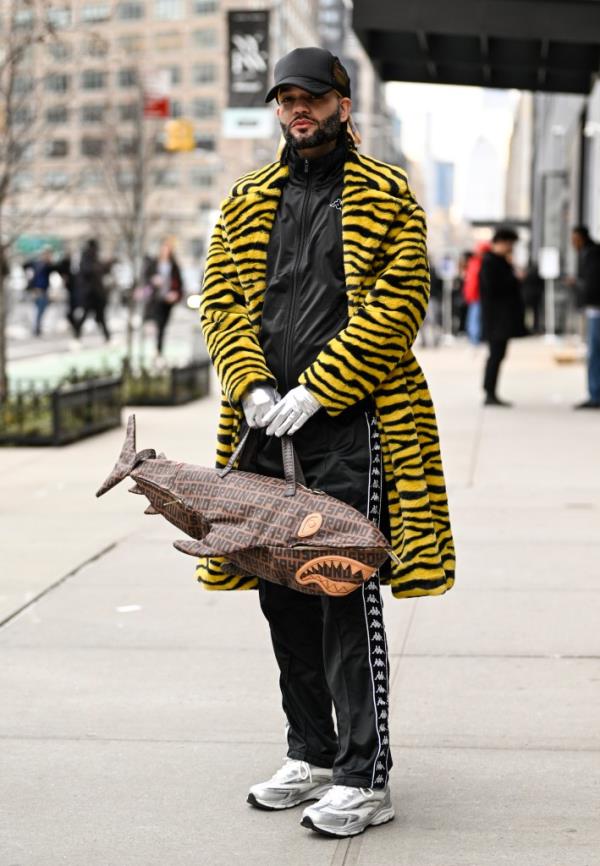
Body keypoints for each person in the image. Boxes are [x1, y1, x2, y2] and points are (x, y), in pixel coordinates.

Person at [198, 48, 455, 838]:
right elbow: (221, 299)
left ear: (344, 105)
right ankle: (309, 751)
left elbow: (399, 302)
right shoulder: (247, 198)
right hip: (265, 430)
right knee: (281, 593)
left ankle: (362, 773)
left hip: (355, 427)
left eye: (310, 97)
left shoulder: (385, 195)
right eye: (285, 99)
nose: (296, 109)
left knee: (341, 589)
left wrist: (318, 389)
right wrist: (254, 387)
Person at [479, 226, 526, 406]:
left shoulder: (499, 261)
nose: (511, 247)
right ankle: (489, 392)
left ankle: (490, 391)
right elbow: (494, 288)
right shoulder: (491, 262)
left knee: (498, 355)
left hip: (500, 319)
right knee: (496, 355)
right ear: (501, 242)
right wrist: (515, 278)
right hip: (496, 319)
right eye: (510, 244)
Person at [570, 225, 600, 409]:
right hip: (594, 309)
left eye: (575, 239)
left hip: (596, 310)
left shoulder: (592, 254)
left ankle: (595, 395)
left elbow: (593, 284)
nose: (573, 243)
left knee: (594, 353)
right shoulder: (590, 253)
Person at [143, 239, 183, 357]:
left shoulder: (174, 266)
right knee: (156, 322)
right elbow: (146, 277)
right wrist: (153, 280)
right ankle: (156, 349)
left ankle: (158, 351)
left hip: (167, 301)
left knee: (162, 326)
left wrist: (175, 294)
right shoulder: (155, 263)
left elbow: (179, 284)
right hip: (155, 299)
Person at [74, 239, 112, 342]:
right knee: (88, 316)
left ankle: (107, 337)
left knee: (100, 317)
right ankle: (77, 335)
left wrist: (107, 265)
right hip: (91, 294)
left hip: (96, 294)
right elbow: (88, 272)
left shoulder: (93, 258)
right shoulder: (87, 258)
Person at [463, 241, 490, 345]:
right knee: (475, 319)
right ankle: (475, 339)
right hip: (476, 296)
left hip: (475, 296)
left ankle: (475, 338)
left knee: (474, 319)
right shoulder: (478, 263)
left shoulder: (475, 263)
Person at [24, 248, 54, 337]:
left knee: (40, 310)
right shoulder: (38, 264)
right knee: (39, 310)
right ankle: (36, 328)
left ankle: (37, 327)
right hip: (39, 290)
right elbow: (25, 265)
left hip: (43, 290)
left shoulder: (46, 265)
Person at [520, 262, 544, 335]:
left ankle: (529, 328)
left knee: (528, 313)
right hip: (534, 295)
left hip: (528, 295)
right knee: (534, 313)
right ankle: (535, 328)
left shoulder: (527, 275)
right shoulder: (536, 274)